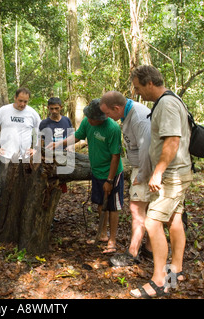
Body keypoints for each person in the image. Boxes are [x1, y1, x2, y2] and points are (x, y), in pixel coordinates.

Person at [129, 65, 193, 298]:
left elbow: (172, 141)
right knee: (174, 220)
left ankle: (159, 281)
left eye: (138, 88)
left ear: (149, 83)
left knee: (153, 222)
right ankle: (176, 269)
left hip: (171, 175)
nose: (138, 93)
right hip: (179, 172)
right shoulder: (172, 99)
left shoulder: (166, 103)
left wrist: (158, 172)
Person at [48, 99, 124, 253]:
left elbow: (116, 156)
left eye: (92, 118)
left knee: (113, 207)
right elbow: (77, 136)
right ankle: (102, 234)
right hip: (96, 170)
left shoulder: (113, 128)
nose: (89, 120)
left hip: (112, 173)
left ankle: (112, 240)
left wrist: (109, 180)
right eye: (88, 116)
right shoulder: (87, 122)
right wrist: (57, 144)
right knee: (101, 204)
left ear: (101, 118)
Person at [99, 91, 153, 266]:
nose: (106, 117)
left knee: (137, 210)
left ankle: (132, 254)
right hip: (143, 167)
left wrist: (143, 174)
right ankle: (149, 249)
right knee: (150, 211)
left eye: (107, 113)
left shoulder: (138, 117)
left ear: (116, 108)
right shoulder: (128, 114)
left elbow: (147, 147)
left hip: (146, 169)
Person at [0, 87, 41, 196]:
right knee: (5, 184)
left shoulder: (32, 113)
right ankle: (2, 208)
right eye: (20, 100)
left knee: (24, 185)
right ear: (15, 98)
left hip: (25, 157)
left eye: (25, 101)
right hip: (6, 155)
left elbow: (40, 130)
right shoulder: (4, 110)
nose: (22, 104)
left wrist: (36, 148)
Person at [39, 97, 73, 193]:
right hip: (50, 159)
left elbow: (71, 136)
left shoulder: (66, 120)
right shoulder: (44, 123)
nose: (54, 111)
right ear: (48, 108)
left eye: (56, 108)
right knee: (49, 187)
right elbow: (41, 140)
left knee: (62, 184)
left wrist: (70, 146)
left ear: (61, 107)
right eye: (51, 108)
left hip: (64, 155)